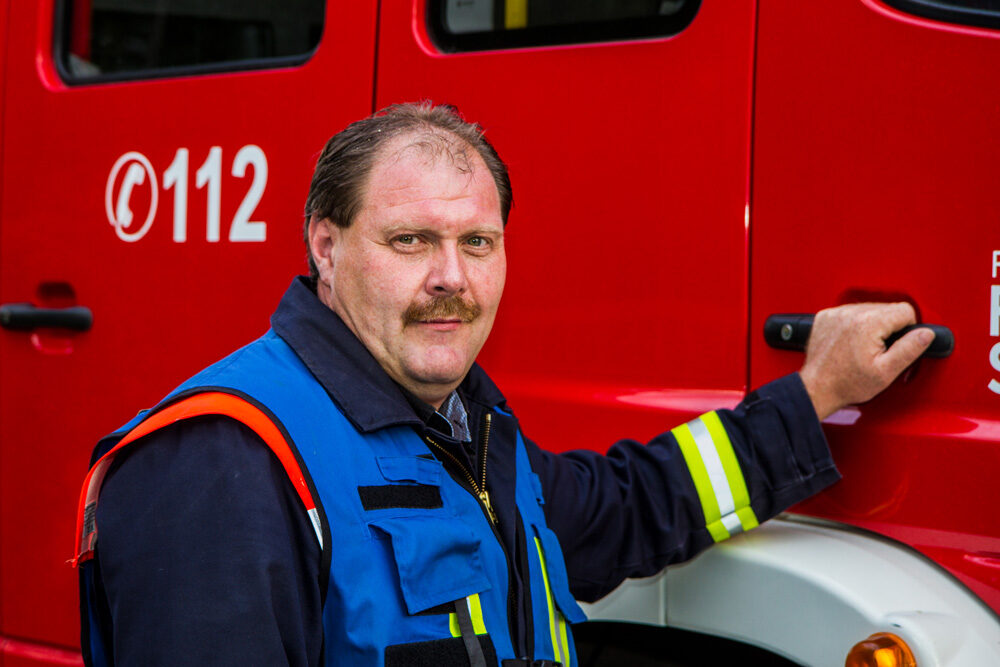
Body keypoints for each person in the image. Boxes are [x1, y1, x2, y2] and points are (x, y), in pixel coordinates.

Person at [74, 103, 934, 667]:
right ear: (325, 249)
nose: (453, 277)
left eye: (477, 243)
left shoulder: (466, 430)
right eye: (411, 240)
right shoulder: (223, 464)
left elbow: (630, 506)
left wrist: (815, 394)